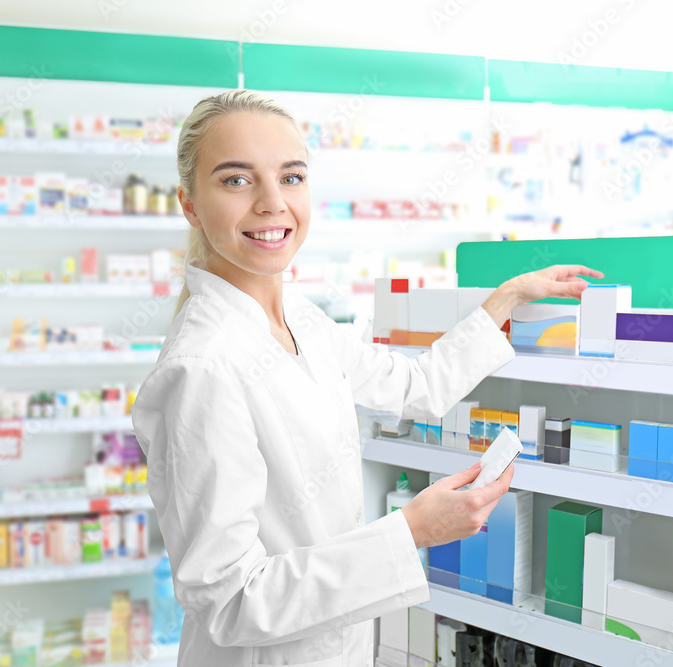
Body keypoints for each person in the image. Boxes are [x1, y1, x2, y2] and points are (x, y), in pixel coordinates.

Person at [132, 89, 604, 667]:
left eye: (292, 177)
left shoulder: (298, 317)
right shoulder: (201, 369)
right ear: (189, 204)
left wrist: (505, 299)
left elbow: (412, 388)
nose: (272, 203)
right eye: (236, 180)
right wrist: (411, 532)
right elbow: (230, 600)